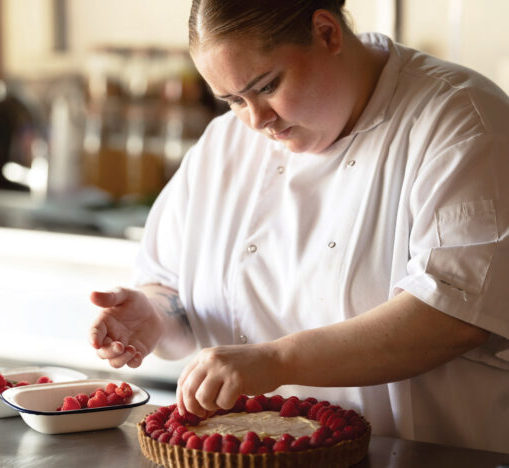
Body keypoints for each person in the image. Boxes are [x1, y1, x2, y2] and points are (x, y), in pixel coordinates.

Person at [88, 0, 509, 454]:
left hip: (422, 457)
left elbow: (452, 316)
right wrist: (154, 316)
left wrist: (276, 360)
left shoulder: (461, 120)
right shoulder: (223, 144)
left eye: (267, 86)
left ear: (327, 33)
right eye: (233, 100)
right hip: (252, 458)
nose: (256, 120)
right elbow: (171, 285)